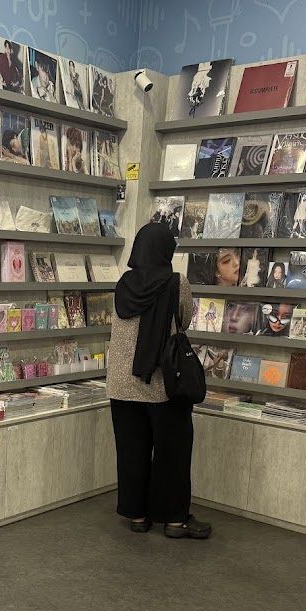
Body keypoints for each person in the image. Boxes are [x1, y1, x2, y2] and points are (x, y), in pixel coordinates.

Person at [107, 222, 211, 540]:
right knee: (172, 452)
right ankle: (174, 520)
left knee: (131, 451)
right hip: (162, 383)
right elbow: (185, 319)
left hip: (121, 384)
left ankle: (137, 515)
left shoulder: (123, 284)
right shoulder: (176, 283)